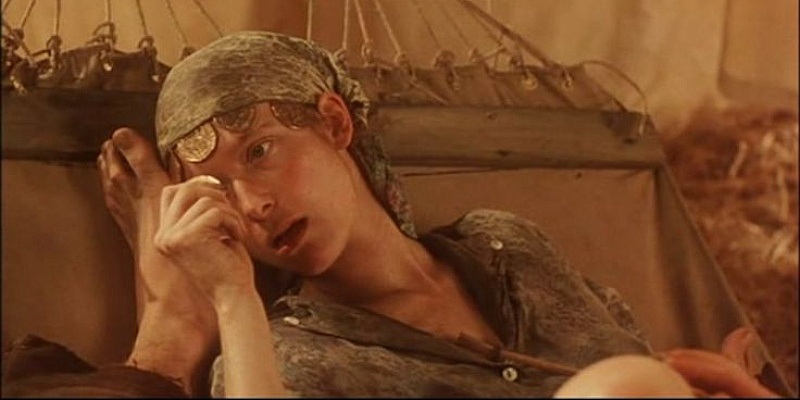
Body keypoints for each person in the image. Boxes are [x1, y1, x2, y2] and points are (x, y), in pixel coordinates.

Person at [1, 31, 783, 398]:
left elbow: (640, 363)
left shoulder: (506, 245)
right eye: (216, 190)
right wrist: (229, 297)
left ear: (335, 122)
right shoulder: (280, 361)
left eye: (261, 151)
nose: (253, 203)